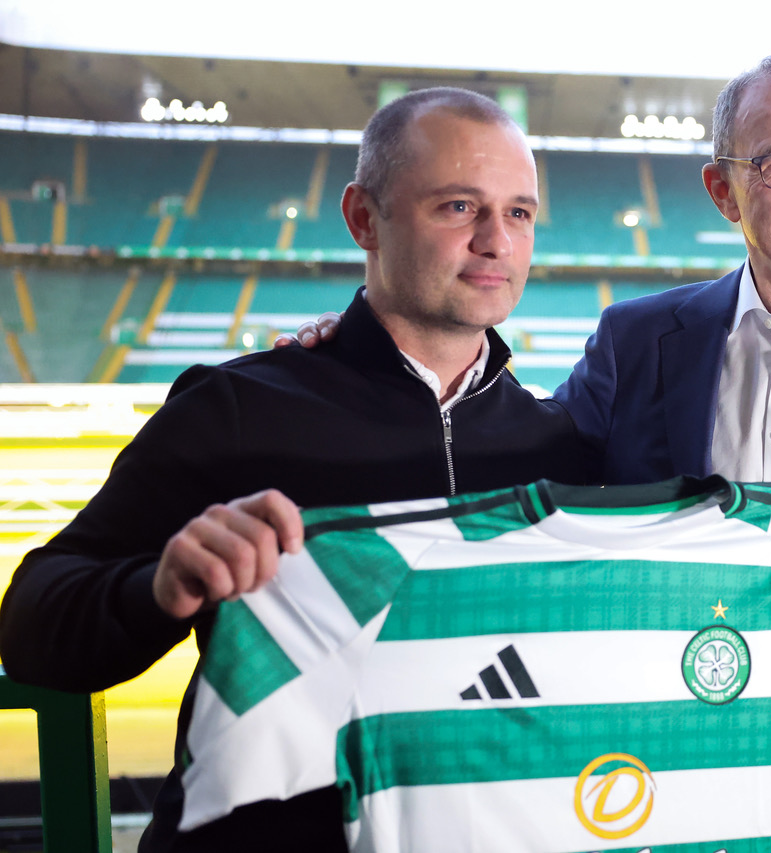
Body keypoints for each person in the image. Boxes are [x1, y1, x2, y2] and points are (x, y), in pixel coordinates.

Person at [288, 53, 771, 851]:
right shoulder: (639, 340)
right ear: (723, 189)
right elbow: (506, 463)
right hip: (648, 799)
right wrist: (373, 354)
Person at [0, 87, 598, 852]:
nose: (498, 242)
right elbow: (33, 623)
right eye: (458, 207)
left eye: (519, 212)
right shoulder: (237, 408)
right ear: (362, 218)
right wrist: (161, 588)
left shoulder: (562, 447)